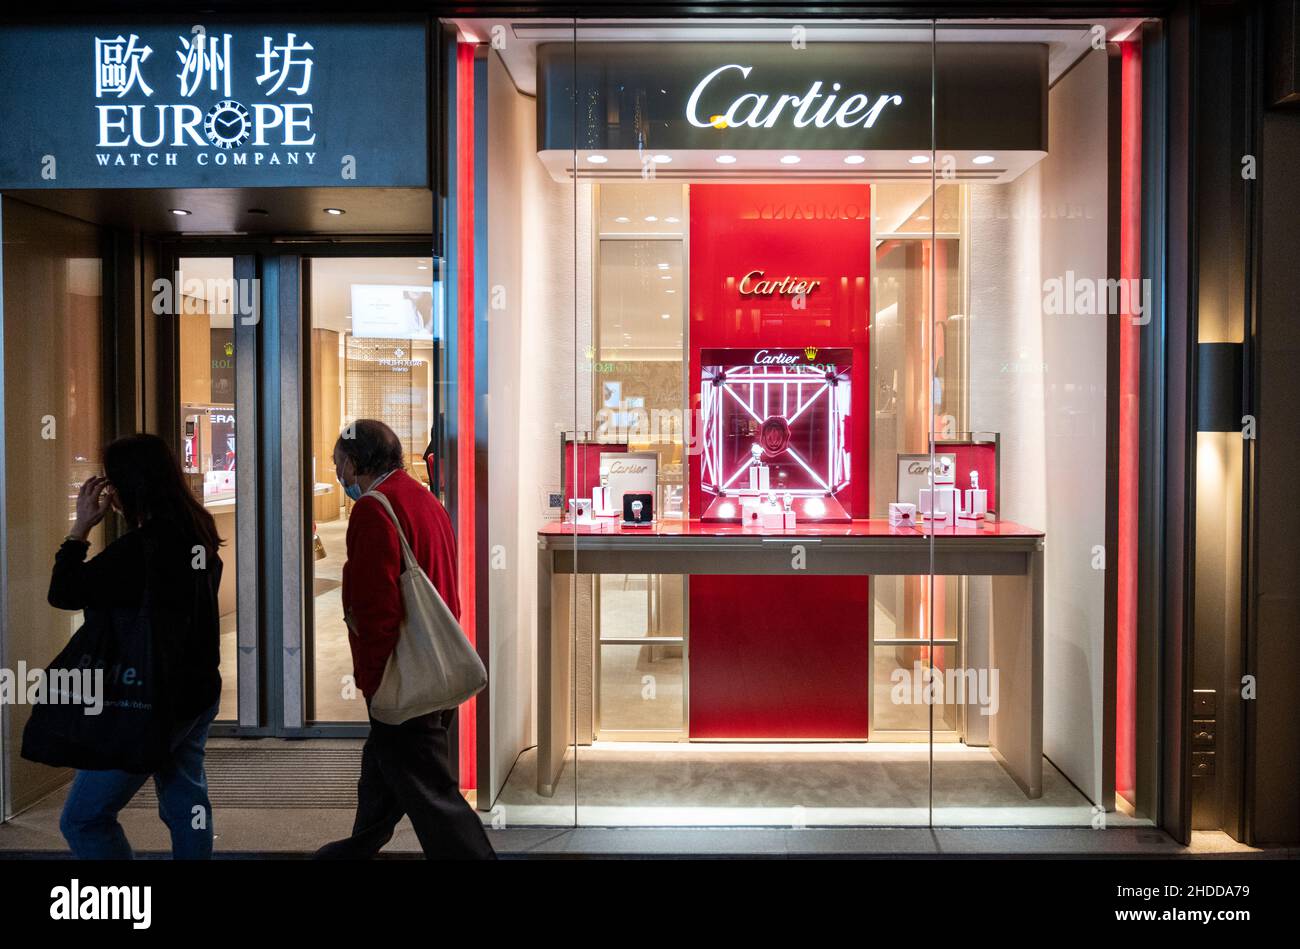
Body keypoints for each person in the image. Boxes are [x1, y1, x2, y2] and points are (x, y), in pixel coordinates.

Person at [314, 419, 495, 860]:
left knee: (434, 798)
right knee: (381, 779)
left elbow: (378, 611)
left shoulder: (375, 509)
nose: (339, 476)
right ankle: (352, 852)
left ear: (356, 463)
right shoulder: (424, 500)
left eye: (340, 465)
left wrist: (373, 682)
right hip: (433, 664)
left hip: (403, 678)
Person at [50, 433, 223, 859]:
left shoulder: (140, 550)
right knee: (185, 800)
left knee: (83, 818)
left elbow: (65, 592)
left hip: (146, 700)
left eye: (111, 481)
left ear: (129, 486)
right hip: (196, 690)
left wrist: (79, 528)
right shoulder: (197, 530)